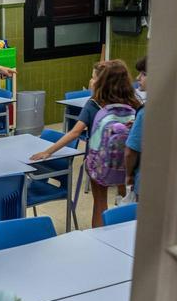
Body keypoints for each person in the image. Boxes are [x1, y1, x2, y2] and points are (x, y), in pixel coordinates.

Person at [30, 59, 141, 227]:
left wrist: (49, 151)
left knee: (100, 203)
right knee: (126, 198)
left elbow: (74, 132)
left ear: (103, 81)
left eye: (94, 77)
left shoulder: (94, 103)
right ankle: (121, 211)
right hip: (127, 162)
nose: (91, 81)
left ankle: (99, 236)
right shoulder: (134, 102)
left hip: (100, 163)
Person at [125, 55, 147, 196]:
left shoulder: (146, 112)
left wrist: (129, 175)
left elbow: (130, 152)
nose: (138, 78)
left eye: (144, 74)